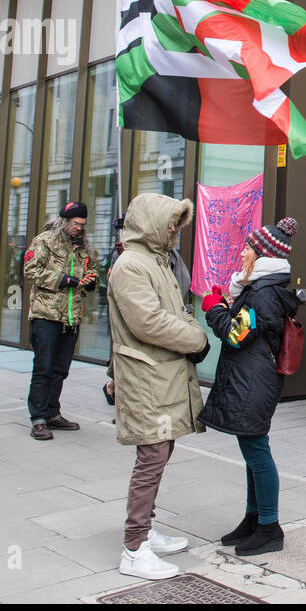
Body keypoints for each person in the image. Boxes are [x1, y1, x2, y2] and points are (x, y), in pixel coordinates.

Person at [108, 193, 210, 580]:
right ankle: (134, 547)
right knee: (151, 457)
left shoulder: (156, 262)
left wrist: (191, 330)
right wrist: (196, 339)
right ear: (151, 222)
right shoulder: (131, 266)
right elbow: (148, 322)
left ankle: (146, 531)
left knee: (161, 450)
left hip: (162, 373)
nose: (173, 231)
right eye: (169, 224)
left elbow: (176, 312)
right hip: (146, 376)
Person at [200, 218, 302, 556]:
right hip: (251, 378)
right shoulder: (258, 290)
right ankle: (253, 519)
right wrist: (227, 306)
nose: (242, 253)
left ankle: (270, 528)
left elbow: (236, 333)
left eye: (248, 248)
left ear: (263, 256)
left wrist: (214, 309)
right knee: (251, 450)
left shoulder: (263, 293)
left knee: (257, 451)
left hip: (254, 381)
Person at [22, 201, 99, 440]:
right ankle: (38, 419)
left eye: (82, 225)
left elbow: (92, 269)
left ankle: (53, 413)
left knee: (60, 369)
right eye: (75, 224)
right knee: (43, 368)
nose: (79, 228)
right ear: (64, 222)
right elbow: (30, 270)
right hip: (46, 315)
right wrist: (66, 280)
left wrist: (91, 280)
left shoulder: (83, 247)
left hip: (71, 316)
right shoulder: (44, 240)